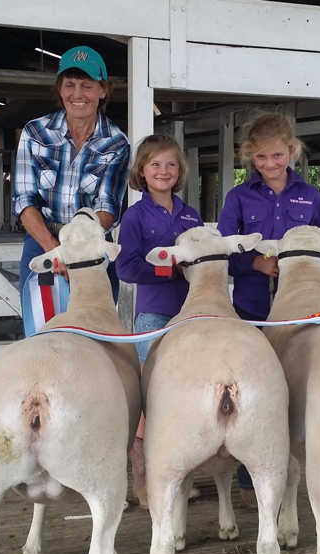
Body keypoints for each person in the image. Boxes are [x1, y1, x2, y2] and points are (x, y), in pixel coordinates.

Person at [217, 111, 320, 506]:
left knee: (306, 386)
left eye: (277, 156)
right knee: (252, 393)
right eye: (261, 158)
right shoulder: (238, 197)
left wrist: (298, 266)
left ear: (291, 151)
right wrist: (255, 263)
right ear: (250, 157)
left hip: (301, 311)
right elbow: (224, 252)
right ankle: (250, 479)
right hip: (253, 307)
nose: (270, 164)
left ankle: (316, 468)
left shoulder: (311, 196)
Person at [13, 45, 130, 330]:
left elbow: (108, 206)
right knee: (43, 334)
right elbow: (23, 200)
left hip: (92, 244)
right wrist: (55, 250)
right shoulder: (35, 133)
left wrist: (77, 247)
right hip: (44, 240)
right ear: (60, 88)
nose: (77, 94)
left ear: (102, 90)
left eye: (86, 85)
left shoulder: (116, 143)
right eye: (70, 85)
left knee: (95, 333)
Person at [115, 134, 203, 508]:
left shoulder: (191, 216)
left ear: (179, 170)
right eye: (155, 165)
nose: (163, 171)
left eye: (170, 164)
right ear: (142, 171)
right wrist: (172, 269)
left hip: (192, 312)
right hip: (154, 313)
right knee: (150, 398)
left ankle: (180, 475)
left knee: (186, 392)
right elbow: (126, 266)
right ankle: (143, 478)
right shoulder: (134, 216)